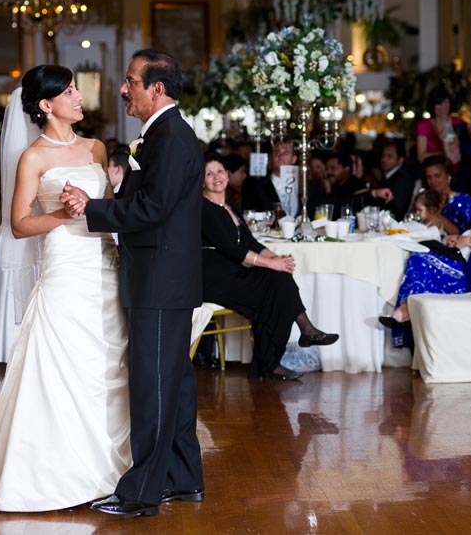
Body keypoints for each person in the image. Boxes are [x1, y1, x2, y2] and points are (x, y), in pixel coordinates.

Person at [61, 49, 205, 517]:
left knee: (153, 387)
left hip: (160, 281)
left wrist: (93, 209)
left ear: (156, 89)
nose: (123, 89)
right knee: (175, 384)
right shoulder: (162, 135)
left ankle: (141, 492)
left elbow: (153, 208)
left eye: (130, 82)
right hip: (164, 278)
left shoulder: (171, 139)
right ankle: (184, 480)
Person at [0, 65, 130, 512]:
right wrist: (64, 216)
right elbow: (19, 224)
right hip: (65, 271)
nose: (78, 97)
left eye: (75, 90)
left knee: (108, 366)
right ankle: (57, 477)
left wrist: (103, 210)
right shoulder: (34, 157)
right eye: (68, 92)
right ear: (45, 105)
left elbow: (109, 207)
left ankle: (112, 469)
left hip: (105, 267)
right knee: (65, 369)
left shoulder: (96, 147)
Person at [200, 153, 338, 380]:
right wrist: (271, 264)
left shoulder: (231, 206)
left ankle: (284, 349)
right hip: (215, 278)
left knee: (280, 279)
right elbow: (231, 249)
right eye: (209, 173)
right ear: (201, 179)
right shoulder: (203, 208)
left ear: (227, 174)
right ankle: (297, 337)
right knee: (275, 285)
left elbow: (250, 243)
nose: (216, 177)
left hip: (234, 272)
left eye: (220, 171)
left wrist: (278, 260)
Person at [381, 151, 471, 344]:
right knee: (420, 252)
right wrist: (462, 239)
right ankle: (407, 316)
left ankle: (405, 315)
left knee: (420, 260)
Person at [421, 155, 471, 235]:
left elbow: (463, 232)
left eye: (437, 176)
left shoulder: (464, 201)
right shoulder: (425, 199)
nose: (433, 181)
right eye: (429, 177)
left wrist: (436, 215)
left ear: (448, 175)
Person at [416, 86, 463, 165]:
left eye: (446, 102)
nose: (443, 107)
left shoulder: (458, 122)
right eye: (439, 103)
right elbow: (421, 157)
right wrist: (444, 154)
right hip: (434, 169)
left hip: (459, 168)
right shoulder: (424, 125)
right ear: (433, 106)